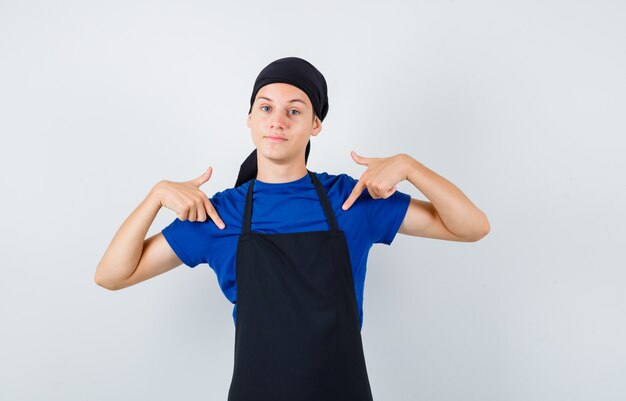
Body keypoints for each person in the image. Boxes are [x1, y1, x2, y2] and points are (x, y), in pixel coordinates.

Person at [95, 57, 490, 401]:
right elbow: (112, 275)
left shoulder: (350, 202)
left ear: (315, 124)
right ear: (249, 118)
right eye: (265, 108)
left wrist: (409, 166)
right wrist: (155, 197)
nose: (277, 122)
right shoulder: (220, 215)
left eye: (294, 111)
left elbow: (472, 227)